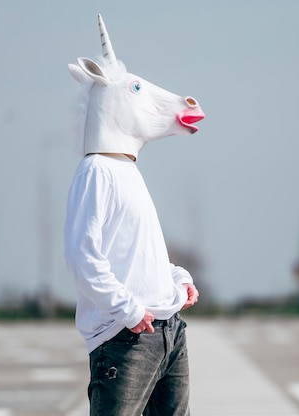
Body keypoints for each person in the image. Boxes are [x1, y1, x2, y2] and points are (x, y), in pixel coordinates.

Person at [63, 15, 204, 415]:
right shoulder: (96, 172)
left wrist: (176, 278)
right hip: (126, 340)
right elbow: (82, 256)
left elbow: (136, 254)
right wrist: (130, 310)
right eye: (136, 89)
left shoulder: (126, 171)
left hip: (168, 333)